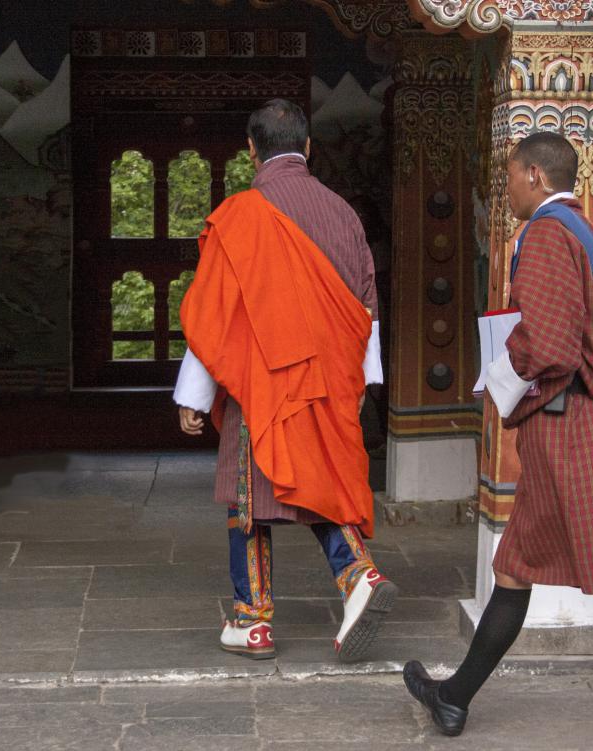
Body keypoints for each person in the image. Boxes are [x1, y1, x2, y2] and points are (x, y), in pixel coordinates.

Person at [402, 132, 593, 751]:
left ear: (536, 177)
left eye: (512, 176)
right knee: (515, 568)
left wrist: (495, 378)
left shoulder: (544, 234)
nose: (508, 188)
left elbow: (546, 345)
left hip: (568, 430)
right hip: (585, 426)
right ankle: (454, 698)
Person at [174, 99, 396, 662]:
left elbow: (214, 312)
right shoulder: (343, 214)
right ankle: (356, 576)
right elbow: (367, 306)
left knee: (248, 497)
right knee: (317, 480)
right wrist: (362, 386)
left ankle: (252, 620)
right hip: (331, 381)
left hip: (265, 380)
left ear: (252, 149)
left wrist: (193, 396)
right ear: (308, 148)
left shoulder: (241, 213)